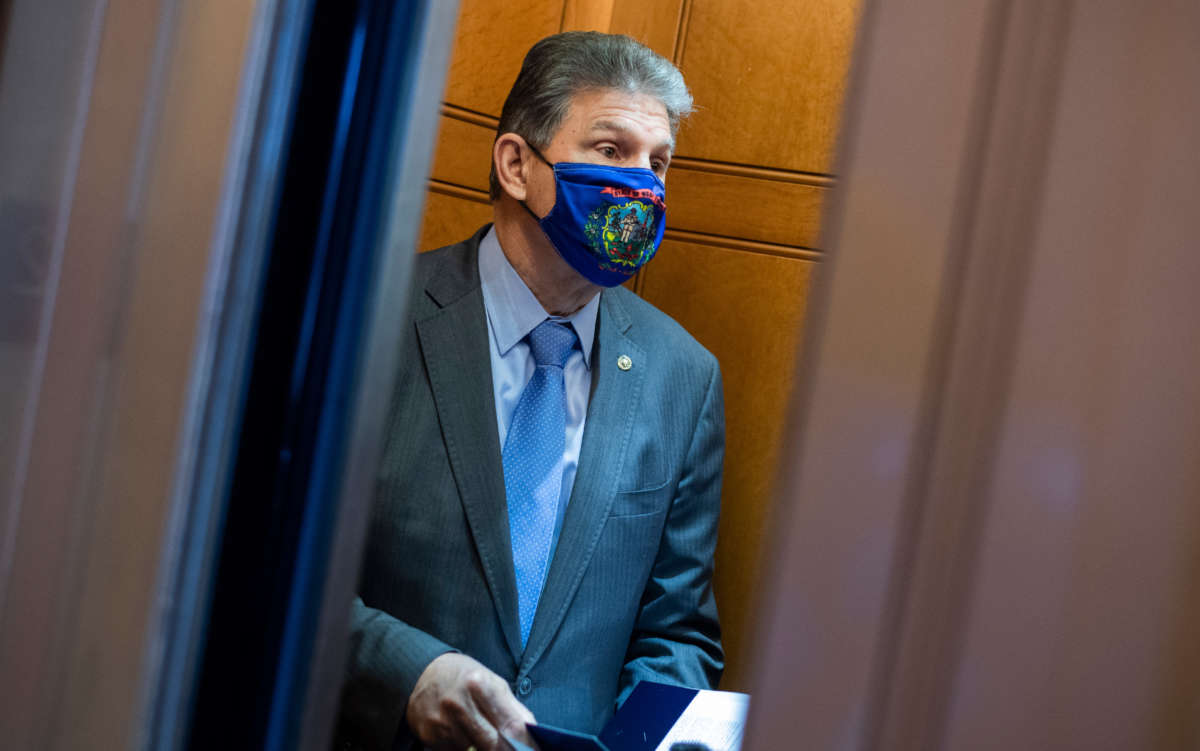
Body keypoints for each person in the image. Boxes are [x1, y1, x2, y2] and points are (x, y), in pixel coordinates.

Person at [336, 31, 724, 751]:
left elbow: (678, 631)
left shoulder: (684, 375)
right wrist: (410, 673)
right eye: (611, 150)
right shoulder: (364, 315)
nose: (643, 184)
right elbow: (266, 565)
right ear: (517, 164)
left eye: (658, 162)